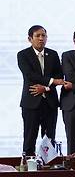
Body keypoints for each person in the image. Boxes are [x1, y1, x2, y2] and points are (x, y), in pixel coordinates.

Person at [17, 25, 66, 156]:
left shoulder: (53, 54)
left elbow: (60, 77)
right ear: (30, 38)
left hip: (50, 103)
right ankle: (28, 168)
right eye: (37, 36)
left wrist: (45, 87)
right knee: (29, 138)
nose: (41, 38)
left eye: (43, 35)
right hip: (31, 103)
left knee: (49, 139)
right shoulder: (23, 55)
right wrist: (51, 81)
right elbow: (30, 75)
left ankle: (47, 169)